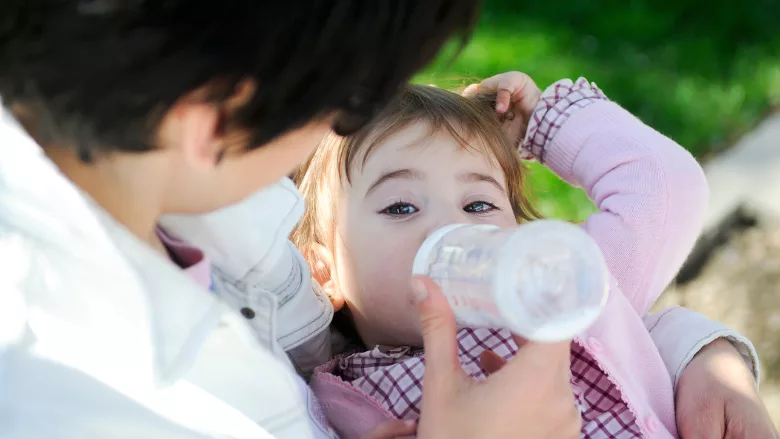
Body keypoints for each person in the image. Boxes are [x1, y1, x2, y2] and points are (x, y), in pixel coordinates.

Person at [0, 1, 587, 438]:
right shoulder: (75, 397)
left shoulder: (219, 213)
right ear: (214, 120)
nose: (338, 126)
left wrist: (682, 348)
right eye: (353, 102)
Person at [288, 74, 778, 438]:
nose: (453, 227)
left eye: (478, 203)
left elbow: (665, 188)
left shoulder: (561, 289)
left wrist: (543, 126)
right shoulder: (337, 402)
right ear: (323, 272)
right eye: (400, 206)